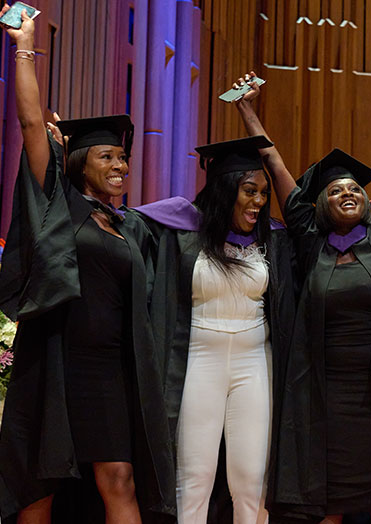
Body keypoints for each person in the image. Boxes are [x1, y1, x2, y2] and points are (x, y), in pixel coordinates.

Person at [231, 70, 371, 523]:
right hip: (322, 399)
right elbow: (275, 166)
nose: (347, 192)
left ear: (368, 201)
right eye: (335, 190)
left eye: (354, 188)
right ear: (321, 205)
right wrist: (246, 109)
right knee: (327, 508)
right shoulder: (311, 243)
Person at [0, 5, 174, 522]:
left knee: (118, 478)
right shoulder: (60, 205)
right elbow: (31, 122)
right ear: (78, 163)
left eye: (123, 159)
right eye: (107, 158)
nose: (120, 166)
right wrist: (23, 45)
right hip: (53, 359)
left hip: (110, 371)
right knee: (40, 485)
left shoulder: (128, 227)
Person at [133, 135, 297, 523]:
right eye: (249, 191)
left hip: (255, 363)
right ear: (225, 190)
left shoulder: (271, 241)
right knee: (194, 478)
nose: (259, 201)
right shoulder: (181, 229)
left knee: (251, 479)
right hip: (200, 362)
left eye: (262, 193)